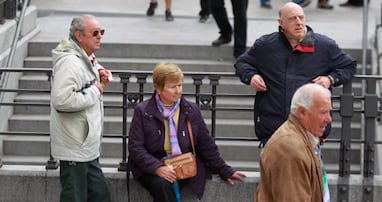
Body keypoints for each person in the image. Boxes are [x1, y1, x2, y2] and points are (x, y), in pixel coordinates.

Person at [234, 2, 356, 146]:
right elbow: (242, 63)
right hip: (273, 129)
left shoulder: (324, 45)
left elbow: (349, 65)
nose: (299, 23)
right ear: (281, 23)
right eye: (292, 18)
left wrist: (330, 79)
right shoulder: (266, 45)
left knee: (309, 169)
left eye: (301, 18)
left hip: (309, 130)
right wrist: (251, 76)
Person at [128, 63, 246, 202]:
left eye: (180, 85)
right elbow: (136, 148)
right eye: (172, 87)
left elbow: (206, 144)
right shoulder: (143, 111)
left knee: (169, 186)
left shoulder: (190, 109)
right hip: (152, 165)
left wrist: (225, 170)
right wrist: (158, 168)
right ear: (158, 88)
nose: (178, 91)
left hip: (183, 164)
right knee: (162, 185)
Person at [50, 14, 112, 202]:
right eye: (94, 32)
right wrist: (96, 90)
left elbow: (85, 68)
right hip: (75, 149)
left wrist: (98, 71)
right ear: (79, 36)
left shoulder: (85, 58)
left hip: (86, 149)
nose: (100, 36)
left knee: (100, 196)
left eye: (101, 32)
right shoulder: (70, 62)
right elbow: (62, 100)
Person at [255, 83, 332, 202]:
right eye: (323, 112)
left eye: (329, 112)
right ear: (302, 112)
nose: (329, 119)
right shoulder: (290, 148)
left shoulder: (303, 138)